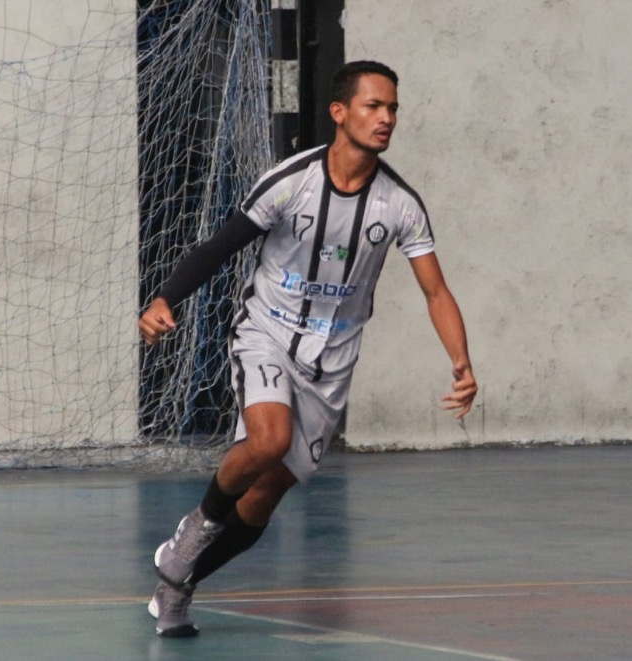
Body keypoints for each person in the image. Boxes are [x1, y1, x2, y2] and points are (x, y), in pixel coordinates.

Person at [139, 61, 478, 637]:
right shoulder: (290, 181)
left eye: (393, 108)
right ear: (340, 112)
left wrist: (462, 362)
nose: (386, 118)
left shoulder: (399, 204)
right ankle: (196, 525)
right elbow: (219, 245)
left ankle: (179, 585)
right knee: (267, 441)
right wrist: (165, 297)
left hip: (333, 361)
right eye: (374, 106)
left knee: (267, 496)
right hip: (267, 332)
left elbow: (436, 289)